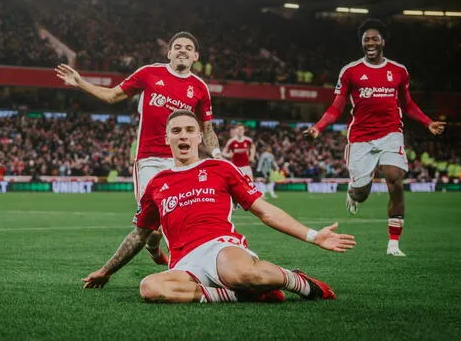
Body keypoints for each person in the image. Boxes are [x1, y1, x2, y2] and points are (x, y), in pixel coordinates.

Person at [82, 110, 356, 303]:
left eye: (190, 130)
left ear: (200, 137)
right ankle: (237, 294)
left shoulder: (220, 168)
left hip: (219, 247)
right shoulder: (157, 183)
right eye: (176, 131)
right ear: (167, 139)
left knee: (243, 273)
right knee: (150, 288)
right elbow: (139, 234)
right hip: (183, 263)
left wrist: (313, 236)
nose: (183, 136)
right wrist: (107, 271)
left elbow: (265, 210)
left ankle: (296, 281)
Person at [56, 32, 222, 265]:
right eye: (177, 46)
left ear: (195, 56)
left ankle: (185, 268)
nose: (182, 50)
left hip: (182, 162)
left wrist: (217, 155)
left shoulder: (200, 88)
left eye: (188, 47)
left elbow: (207, 129)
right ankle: (154, 249)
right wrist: (80, 82)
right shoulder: (149, 73)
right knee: (152, 229)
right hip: (150, 160)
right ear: (169, 52)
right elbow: (112, 96)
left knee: (182, 220)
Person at [304, 19, 445, 257]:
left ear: (383, 42)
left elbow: (407, 104)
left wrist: (427, 122)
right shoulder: (350, 71)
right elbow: (336, 107)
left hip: (391, 133)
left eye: (374, 38)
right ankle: (353, 192)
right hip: (361, 138)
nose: (370, 42)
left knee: (395, 178)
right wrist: (318, 128)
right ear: (362, 43)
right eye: (366, 39)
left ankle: (393, 244)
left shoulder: (399, 71)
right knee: (362, 192)